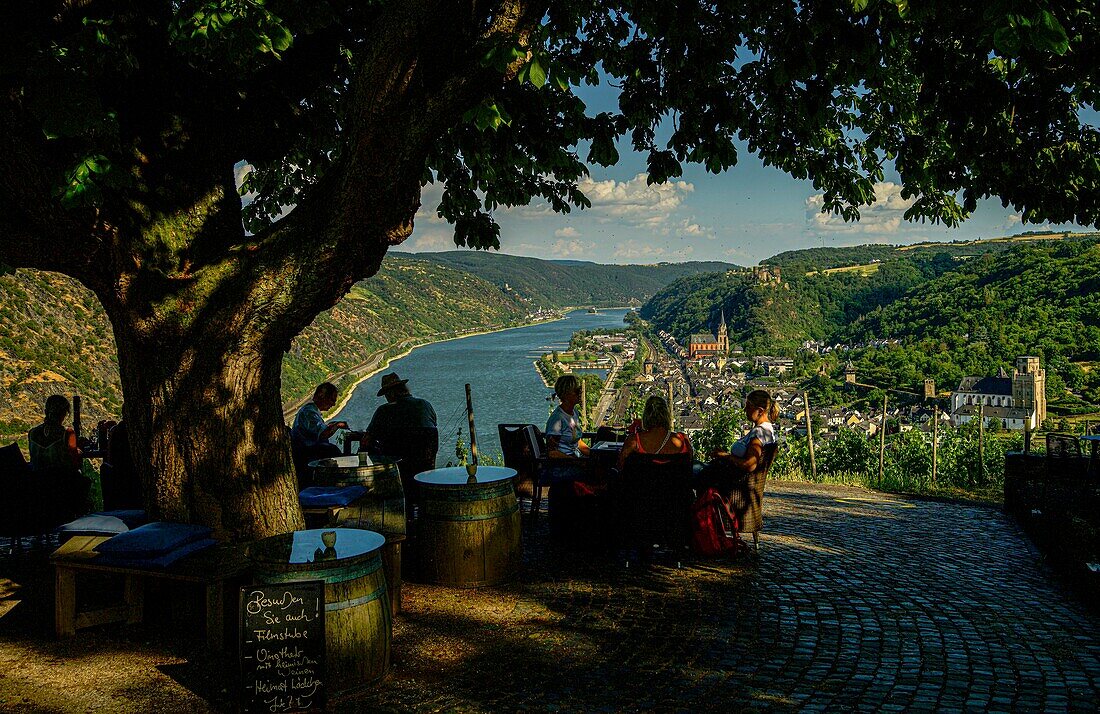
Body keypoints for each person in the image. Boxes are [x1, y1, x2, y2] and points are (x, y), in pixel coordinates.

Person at [363, 372, 438, 500]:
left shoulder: (384, 411)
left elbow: (366, 440)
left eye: (386, 395)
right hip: (425, 465)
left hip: (399, 468)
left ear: (391, 393)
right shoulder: (425, 404)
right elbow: (432, 428)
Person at [617, 395, 691, 469]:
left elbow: (621, 465)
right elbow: (689, 465)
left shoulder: (634, 441)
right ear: (666, 416)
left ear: (646, 416)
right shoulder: (683, 440)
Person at [290, 382, 347, 472]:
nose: (334, 404)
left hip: (305, 451)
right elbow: (323, 434)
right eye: (332, 400)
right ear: (321, 396)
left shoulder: (310, 410)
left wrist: (330, 425)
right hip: (306, 454)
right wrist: (338, 425)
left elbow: (315, 429)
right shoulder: (309, 413)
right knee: (333, 450)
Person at [27, 395, 81, 470]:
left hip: (37, 480)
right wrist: (78, 451)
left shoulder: (32, 433)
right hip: (61, 480)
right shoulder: (67, 433)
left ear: (45, 411)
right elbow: (75, 464)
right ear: (63, 414)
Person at [545, 374, 591, 459]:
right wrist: (574, 461)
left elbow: (577, 442)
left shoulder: (574, 412)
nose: (580, 393)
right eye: (577, 391)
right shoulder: (557, 419)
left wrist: (594, 454)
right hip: (564, 467)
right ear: (566, 394)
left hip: (575, 459)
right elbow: (551, 452)